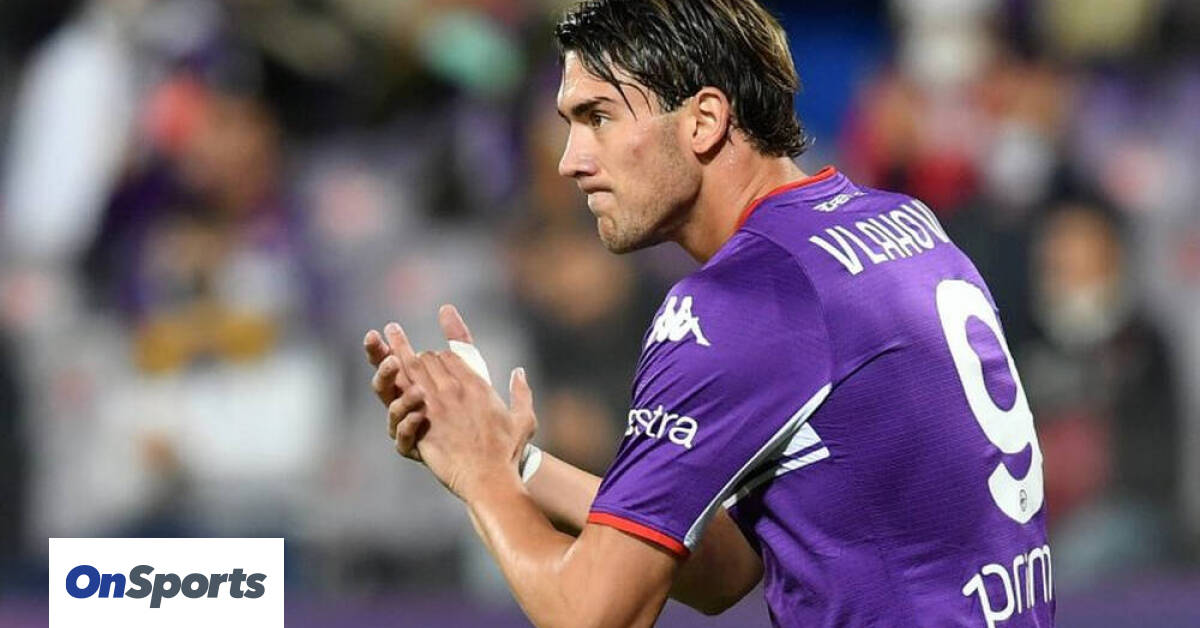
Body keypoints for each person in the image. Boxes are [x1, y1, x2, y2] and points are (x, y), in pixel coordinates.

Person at [364, 1, 1054, 626]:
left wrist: (480, 474)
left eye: (598, 117)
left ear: (702, 120)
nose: (571, 161)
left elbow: (591, 614)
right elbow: (732, 569)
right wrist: (520, 465)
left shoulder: (746, 299)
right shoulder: (901, 223)